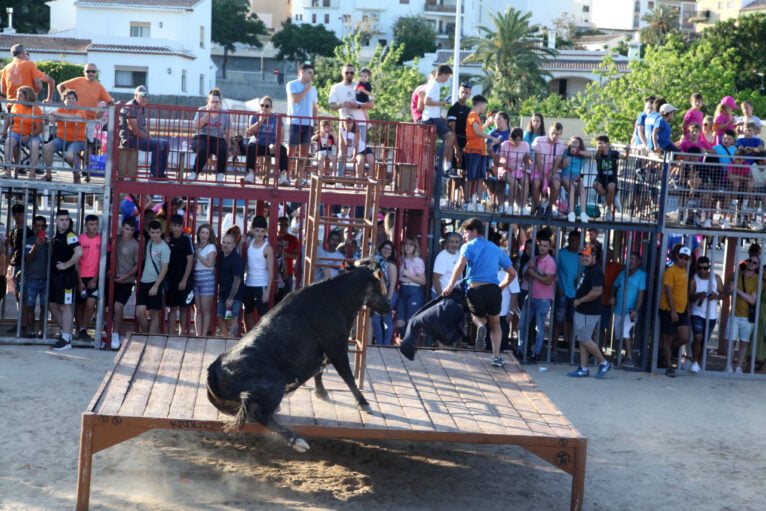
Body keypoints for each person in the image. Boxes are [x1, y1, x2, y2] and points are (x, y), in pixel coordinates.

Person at [443, 217, 515, 368]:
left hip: (475, 288)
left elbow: (461, 265)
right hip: (493, 289)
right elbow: (512, 273)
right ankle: (496, 357)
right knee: (496, 323)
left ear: (474, 231)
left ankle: (481, 326)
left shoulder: (468, 246)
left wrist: (450, 285)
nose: (464, 236)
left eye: (465, 233)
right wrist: (501, 286)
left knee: (477, 316)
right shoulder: (495, 248)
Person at [566, 245, 612, 378]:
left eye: (587, 256)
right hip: (583, 310)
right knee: (582, 339)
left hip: (589, 311)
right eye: (583, 256)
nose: (584, 258)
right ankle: (584, 368)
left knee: (585, 338)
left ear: (594, 257)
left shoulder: (595, 271)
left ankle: (604, 363)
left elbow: (597, 292)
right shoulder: (588, 269)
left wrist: (580, 301)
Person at [48, 210, 83, 351]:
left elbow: (79, 252)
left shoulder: (70, 235)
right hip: (56, 277)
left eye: (66, 220)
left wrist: (66, 265)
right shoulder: (59, 236)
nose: (64, 222)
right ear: (56, 221)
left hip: (66, 277)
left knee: (65, 306)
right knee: (52, 305)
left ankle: (66, 339)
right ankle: (65, 333)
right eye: (61, 219)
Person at [118, 85, 169, 178]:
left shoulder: (141, 107)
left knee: (165, 144)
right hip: (129, 139)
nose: (145, 99)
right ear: (135, 95)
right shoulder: (131, 107)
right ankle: (155, 174)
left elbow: (143, 127)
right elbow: (134, 130)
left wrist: (149, 137)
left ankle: (160, 173)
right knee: (158, 145)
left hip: (137, 137)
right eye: (142, 96)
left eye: (147, 96)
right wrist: (148, 138)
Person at [520, 236, 557, 362]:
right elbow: (525, 277)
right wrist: (530, 268)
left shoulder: (550, 262)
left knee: (539, 327)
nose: (542, 248)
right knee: (523, 324)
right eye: (541, 245)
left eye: (545, 246)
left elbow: (548, 281)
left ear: (549, 247)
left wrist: (533, 271)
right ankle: (522, 350)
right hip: (531, 296)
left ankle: (536, 353)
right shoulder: (534, 259)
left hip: (543, 298)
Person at [329, 63, 374, 162]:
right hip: (345, 125)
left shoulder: (360, 85)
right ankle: (340, 176)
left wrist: (357, 106)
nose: (349, 74)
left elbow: (371, 104)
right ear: (342, 73)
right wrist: (342, 105)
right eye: (347, 72)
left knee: (359, 154)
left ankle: (358, 177)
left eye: (352, 73)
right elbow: (332, 106)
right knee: (342, 152)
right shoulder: (336, 88)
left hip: (361, 124)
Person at [56, 63, 114, 141]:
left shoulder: (100, 87)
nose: (90, 73)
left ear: (96, 73)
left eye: (93, 71)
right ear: (84, 72)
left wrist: (103, 111)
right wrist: (66, 100)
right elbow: (60, 86)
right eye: (88, 71)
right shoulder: (78, 80)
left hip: (90, 120)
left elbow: (110, 102)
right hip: (76, 119)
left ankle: (87, 154)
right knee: (74, 143)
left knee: (88, 143)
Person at [43, 88, 89, 182]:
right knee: (46, 148)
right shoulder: (60, 109)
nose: (71, 100)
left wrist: (57, 115)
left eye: (73, 98)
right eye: (68, 98)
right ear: (64, 100)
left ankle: (76, 174)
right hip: (61, 139)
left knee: (69, 156)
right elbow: (49, 114)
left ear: (76, 101)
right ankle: (48, 175)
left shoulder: (80, 110)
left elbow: (77, 117)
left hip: (78, 140)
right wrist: (50, 115)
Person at [462, 95, 499, 210]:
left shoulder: (476, 116)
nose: (484, 108)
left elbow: (478, 130)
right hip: (473, 150)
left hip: (481, 151)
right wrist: (492, 138)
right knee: (471, 176)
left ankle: (478, 201)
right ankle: (467, 201)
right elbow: (477, 132)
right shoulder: (473, 115)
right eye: (484, 105)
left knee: (480, 177)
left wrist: (485, 126)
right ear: (479, 104)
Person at [659, 246, 691, 377]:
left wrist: (687, 308)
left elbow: (684, 291)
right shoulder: (670, 271)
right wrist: (673, 311)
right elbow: (668, 292)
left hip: (682, 311)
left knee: (684, 338)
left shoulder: (685, 271)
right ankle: (668, 366)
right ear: (677, 256)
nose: (683, 260)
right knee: (667, 338)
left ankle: (665, 352)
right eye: (682, 257)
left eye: (686, 258)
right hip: (668, 310)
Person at [610, 252, 647, 368]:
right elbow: (615, 286)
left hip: (631, 310)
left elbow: (641, 294)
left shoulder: (642, 275)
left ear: (639, 262)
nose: (630, 261)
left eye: (633, 259)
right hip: (619, 308)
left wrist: (636, 309)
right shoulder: (622, 274)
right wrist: (612, 297)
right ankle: (617, 356)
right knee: (617, 333)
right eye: (629, 259)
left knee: (625, 331)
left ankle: (629, 357)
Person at [725, 254, 759, 374]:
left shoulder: (757, 279)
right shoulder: (736, 275)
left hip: (747, 317)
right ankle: (728, 366)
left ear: (757, 265)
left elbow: (752, 300)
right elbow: (726, 291)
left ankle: (738, 366)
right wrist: (730, 289)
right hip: (734, 314)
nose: (751, 263)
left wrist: (736, 290)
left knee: (744, 342)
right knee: (731, 342)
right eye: (750, 261)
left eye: (754, 262)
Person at [688, 256, 723, 373]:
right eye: (699, 268)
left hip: (711, 314)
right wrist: (699, 295)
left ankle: (699, 363)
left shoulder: (716, 278)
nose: (702, 271)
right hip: (697, 312)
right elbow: (689, 297)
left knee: (704, 341)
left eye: (704, 268)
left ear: (708, 267)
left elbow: (724, 293)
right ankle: (695, 361)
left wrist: (716, 296)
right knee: (698, 337)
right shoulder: (694, 279)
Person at [419, 64, 455, 176]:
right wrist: (442, 103)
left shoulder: (432, 84)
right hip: (431, 118)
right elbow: (427, 101)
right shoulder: (434, 84)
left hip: (432, 116)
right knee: (450, 136)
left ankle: (437, 162)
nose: (447, 79)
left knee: (433, 143)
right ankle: (439, 162)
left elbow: (422, 93)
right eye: (447, 77)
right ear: (443, 74)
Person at [244, 95, 289, 184]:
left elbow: (282, 134)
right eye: (262, 105)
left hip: (271, 144)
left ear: (271, 108)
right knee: (251, 146)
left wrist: (277, 144)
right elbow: (249, 132)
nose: (264, 108)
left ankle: (283, 175)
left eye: (267, 106)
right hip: (258, 143)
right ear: (259, 107)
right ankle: (251, 174)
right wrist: (260, 121)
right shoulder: (254, 116)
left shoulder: (276, 117)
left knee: (283, 150)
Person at [286, 63, 318, 186]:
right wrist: (306, 89)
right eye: (309, 73)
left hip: (308, 123)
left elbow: (315, 107)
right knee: (292, 150)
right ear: (301, 72)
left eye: (312, 74)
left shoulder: (313, 89)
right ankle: (287, 176)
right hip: (294, 122)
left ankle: (299, 177)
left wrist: (315, 122)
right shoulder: (291, 85)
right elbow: (295, 99)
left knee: (304, 152)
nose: (311, 76)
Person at [189, 88, 230, 182]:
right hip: (201, 136)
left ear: (220, 102)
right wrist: (207, 114)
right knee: (203, 149)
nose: (214, 104)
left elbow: (228, 131)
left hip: (217, 138)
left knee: (223, 149)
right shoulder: (202, 110)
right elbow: (197, 126)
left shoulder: (225, 113)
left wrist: (229, 146)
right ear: (208, 101)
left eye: (217, 102)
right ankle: (194, 172)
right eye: (212, 102)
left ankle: (220, 174)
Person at [136, 220, 169, 334]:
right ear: (149, 233)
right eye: (153, 232)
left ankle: (151, 338)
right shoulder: (149, 242)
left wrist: (156, 286)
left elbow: (164, 268)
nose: (155, 235)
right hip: (144, 281)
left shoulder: (164, 248)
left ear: (161, 232)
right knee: (139, 311)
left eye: (157, 232)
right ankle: (147, 334)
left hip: (156, 282)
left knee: (155, 314)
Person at [111, 217, 139, 349]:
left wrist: (126, 276)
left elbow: (137, 265)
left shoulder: (135, 245)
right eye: (127, 229)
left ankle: (115, 334)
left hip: (127, 281)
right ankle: (120, 334)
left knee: (118, 307)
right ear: (122, 227)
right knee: (110, 309)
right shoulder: (115, 240)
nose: (129, 232)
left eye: (132, 230)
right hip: (112, 279)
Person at [243, 215, 274, 332]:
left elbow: (271, 271)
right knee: (248, 312)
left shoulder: (268, 248)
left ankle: (260, 338)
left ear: (265, 231)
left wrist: (267, 291)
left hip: (261, 284)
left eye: (262, 231)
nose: (260, 233)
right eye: (257, 231)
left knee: (262, 315)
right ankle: (248, 337)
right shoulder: (249, 243)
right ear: (252, 230)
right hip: (248, 283)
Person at [4, 85, 42, 178]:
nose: (17, 98)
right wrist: (4, 130)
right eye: (17, 95)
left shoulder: (36, 109)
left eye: (20, 96)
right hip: (16, 132)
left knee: (35, 145)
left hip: (31, 134)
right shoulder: (15, 105)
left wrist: (29, 136)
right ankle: (8, 171)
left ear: (27, 97)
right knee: (9, 142)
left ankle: (32, 173)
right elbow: (10, 118)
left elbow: (39, 129)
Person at [552, 230, 580, 358]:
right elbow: (554, 272)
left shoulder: (581, 255)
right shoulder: (561, 254)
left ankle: (571, 350)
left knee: (571, 323)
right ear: (568, 240)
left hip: (575, 295)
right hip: (562, 292)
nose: (574, 242)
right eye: (572, 240)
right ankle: (553, 349)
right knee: (557, 321)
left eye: (576, 240)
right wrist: (558, 288)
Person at [75, 214, 101, 343]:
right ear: (86, 225)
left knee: (91, 303)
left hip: (94, 277)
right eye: (91, 224)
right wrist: (79, 281)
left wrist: (95, 279)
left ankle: (83, 329)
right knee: (79, 305)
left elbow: (104, 261)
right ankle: (79, 330)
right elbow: (76, 261)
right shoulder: (81, 239)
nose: (94, 227)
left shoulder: (101, 240)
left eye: (96, 224)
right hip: (81, 277)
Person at [21, 216, 48, 339]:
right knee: (30, 306)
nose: (40, 228)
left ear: (45, 227)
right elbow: (28, 259)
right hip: (31, 278)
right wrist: (36, 246)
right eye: (38, 225)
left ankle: (42, 332)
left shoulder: (49, 242)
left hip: (46, 279)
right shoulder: (29, 241)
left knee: (44, 307)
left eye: (42, 226)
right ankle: (31, 331)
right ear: (33, 226)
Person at [395, 237, 426, 338]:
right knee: (400, 321)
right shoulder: (402, 259)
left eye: (411, 245)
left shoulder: (418, 261)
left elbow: (423, 281)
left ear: (415, 247)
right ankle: (405, 341)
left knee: (411, 320)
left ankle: (410, 344)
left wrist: (409, 275)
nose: (408, 247)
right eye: (406, 244)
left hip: (414, 290)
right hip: (402, 289)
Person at [594, 134, 629, 222]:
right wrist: (599, 150)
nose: (599, 145)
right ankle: (611, 197)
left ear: (606, 144)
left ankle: (608, 208)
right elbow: (596, 157)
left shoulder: (613, 153)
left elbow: (625, 157)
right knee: (595, 185)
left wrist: (627, 150)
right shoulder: (599, 153)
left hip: (611, 178)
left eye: (600, 143)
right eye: (597, 144)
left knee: (611, 187)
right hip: (601, 177)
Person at [498, 127, 531, 215]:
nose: (517, 142)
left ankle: (523, 207)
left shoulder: (525, 145)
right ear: (511, 138)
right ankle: (510, 206)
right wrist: (507, 165)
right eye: (515, 139)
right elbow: (496, 162)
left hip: (519, 169)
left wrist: (525, 167)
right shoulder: (504, 144)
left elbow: (527, 161)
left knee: (525, 182)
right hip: (505, 168)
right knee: (514, 183)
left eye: (519, 140)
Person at [217, 233, 244, 337]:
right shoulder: (221, 256)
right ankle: (226, 337)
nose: (225, 245)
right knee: (220, 316)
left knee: (233, 317)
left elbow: (237, 280)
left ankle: (231, 341)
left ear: (234, 245)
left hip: (234, 295)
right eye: (224, 242)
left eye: (228, 243)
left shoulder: (236, 259)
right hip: (223, 293)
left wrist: (231, 298)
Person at [371, 240, 398, 346]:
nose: (386, 251)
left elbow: (392, 284)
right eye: (385, 248)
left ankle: (386, 345)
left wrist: (389, 299)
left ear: (392, 252)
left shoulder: (390, 265)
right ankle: (379, 343)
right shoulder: (376, 261)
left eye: (389, 249)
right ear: (380, 249)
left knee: (387, 321)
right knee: (375, 321)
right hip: (378, 294)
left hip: (388, 293)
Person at [193, 224, 217, 337]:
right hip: (196, 278)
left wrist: (198, 255)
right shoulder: (196, 245)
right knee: (198, 309)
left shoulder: (211, 247)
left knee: (205, 309)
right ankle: (198, 334)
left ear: (209, 235)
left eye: (206, 233)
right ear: (198, 234)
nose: (204, 235)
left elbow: (209, 263)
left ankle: (203, 335)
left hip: (207, 279)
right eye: (202, 232)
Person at [561, 136, 592, 223]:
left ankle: (583, 213)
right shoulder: (566, 152)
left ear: (579, 144)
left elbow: (590, 155)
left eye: (576, 142)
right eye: (573, 142)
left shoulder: (582, 154)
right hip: (566, 174)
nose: (574, 144)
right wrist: (565, 163)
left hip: (577, 176)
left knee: (582, 189)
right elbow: (562, 166)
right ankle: (571, 212)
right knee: (571, 188)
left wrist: (578, 152)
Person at [446, 82, 472, 180]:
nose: (464, 95)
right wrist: (456, 148)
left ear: (470, 94)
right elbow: (452, 129)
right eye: (462, 92)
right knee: (452, 176)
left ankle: (462, 196)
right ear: (458, 92)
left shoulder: (469, 110)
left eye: (467, 92)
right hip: (455, 144)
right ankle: (450, 196)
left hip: (467, 146)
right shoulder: (453, 109)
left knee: (464, 174)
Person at [432, 232, 461, 297]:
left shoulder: (459, 254)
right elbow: (435, 279)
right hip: (443, 294)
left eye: (457, 242)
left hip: (455, 294)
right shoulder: (442, 257)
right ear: (447, 243)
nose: (454, 244)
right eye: (452, 242)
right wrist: (441, 296)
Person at [277, 216, 300, 294]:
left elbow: (296, 255)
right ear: (276, 225)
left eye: (285, 225)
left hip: (288, 272)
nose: (283, 227)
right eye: (281, 225)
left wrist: (284, 254)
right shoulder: (272, 237)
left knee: (286, 296)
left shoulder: (293, 239)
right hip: (273, 271)